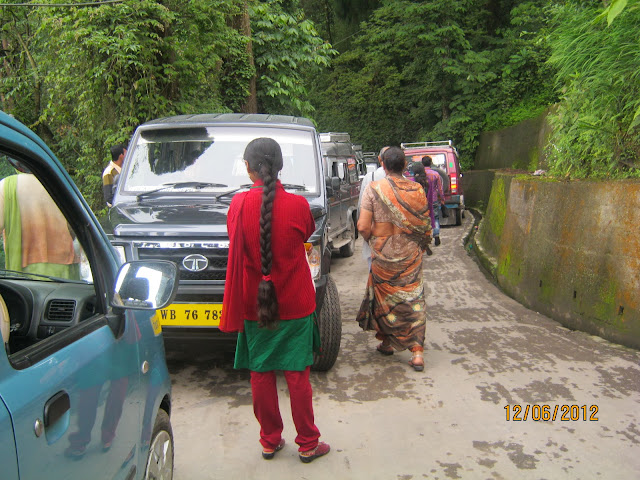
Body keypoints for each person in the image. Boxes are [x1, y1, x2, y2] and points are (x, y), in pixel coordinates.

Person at [220, 137, 330, 463]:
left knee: (261, 372)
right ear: (280, 167)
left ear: (248, 167)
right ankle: (308, 443)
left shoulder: (238, 206)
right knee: (298, 375)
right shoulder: (299, 207)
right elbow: (306, 232)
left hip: (256, 306)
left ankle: (269, 440)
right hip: (296, 304)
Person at [356, 146, 432, 371]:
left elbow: (362, 226)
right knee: (413, 299)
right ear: (405, 166)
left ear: (383, 165)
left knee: (386, 300)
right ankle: (417, 352)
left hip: (383, 253)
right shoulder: (417, 189)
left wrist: (373, 240)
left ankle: (388, 342)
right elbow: (425, 225)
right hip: (410, 254)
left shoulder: (374, 188)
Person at [0, 161, 79, 280]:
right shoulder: (59, 184)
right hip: (63, 265)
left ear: (17, 166)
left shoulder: (6, 185)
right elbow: (75, 226)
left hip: (24, 268)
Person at [357, 146, 388, 270]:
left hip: (375, 242)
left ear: (380, 159)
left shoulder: (370, 178)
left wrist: (368, 238)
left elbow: (361, 211)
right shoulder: (408, 184)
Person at [421, 155, 445, 246]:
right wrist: (442, 199)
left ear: (422, 164)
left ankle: (426, 238)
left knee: (424, 219)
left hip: (422, 201)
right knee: (435, 218)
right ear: (431, 163)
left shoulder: (421, 175)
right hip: (434, 199)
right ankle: (436, 234)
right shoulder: (435, 174)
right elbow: (440, 188)